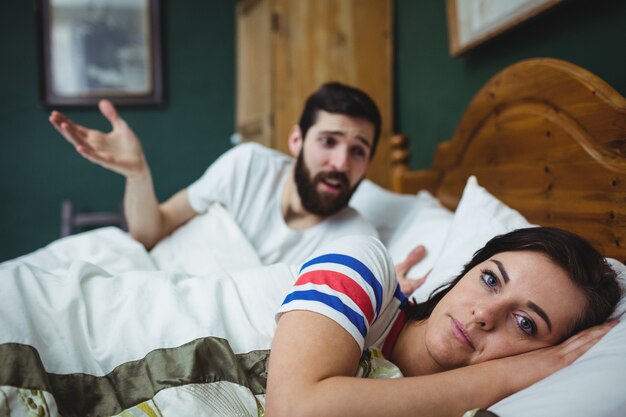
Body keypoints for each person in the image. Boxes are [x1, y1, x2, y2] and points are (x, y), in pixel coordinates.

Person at [49, 82, 425, 293]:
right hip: (145, 277)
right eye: (328, 141)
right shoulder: (249, 166)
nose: (341, 163)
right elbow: (151, 233)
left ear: (368, 165)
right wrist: (136, 175)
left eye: (357, 151)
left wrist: (385, 299)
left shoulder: (354, 239)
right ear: (296, 140)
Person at [266, 227, 622, 417]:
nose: (483, 315)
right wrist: (508, 374)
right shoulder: (363, 264)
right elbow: (295, 411)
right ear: (465, 272)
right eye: (490, 280)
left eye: (525, 323)